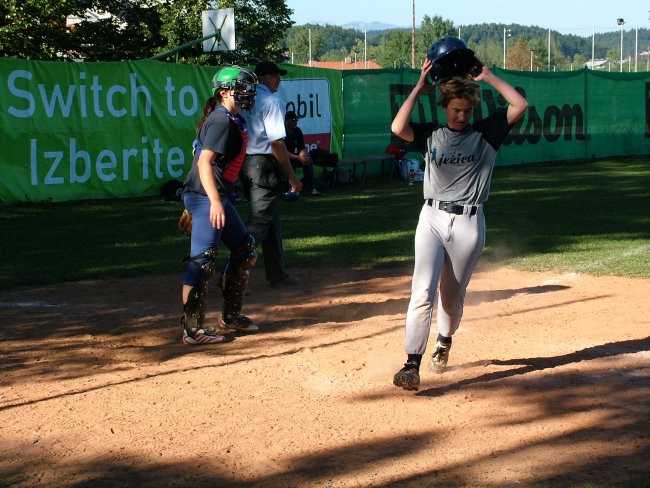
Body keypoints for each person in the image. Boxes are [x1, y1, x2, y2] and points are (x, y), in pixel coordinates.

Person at [391, 53, 528, 390]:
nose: (462, 116)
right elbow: (398, 128)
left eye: (467, 110)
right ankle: (411, 364)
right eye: (456, 110)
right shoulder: (430, 135)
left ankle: (445, 338)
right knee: (423, 291)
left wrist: (488, 75)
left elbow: (519, 105)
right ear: (445, 107)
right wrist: (418, 87)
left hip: (469, 223)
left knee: (451, 297)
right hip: (432, 217)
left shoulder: (487, 133)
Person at [179, 66, 261, 345]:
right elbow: (204, 162)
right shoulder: (222, 121)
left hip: (213, 196)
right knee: (202, 262)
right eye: (242, 88)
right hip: (206, 197)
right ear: (224, 92)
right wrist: (212, 201)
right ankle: (192, 331)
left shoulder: (230, 118)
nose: (249, 93)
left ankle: (230, 318)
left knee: (244, 248)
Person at [240, 61, 303, 289]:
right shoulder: (272, 101)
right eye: (275, 76)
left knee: (270, 220)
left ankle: (277, 275)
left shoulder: (245, 97)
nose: (279, 79)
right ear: (262, 77)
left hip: (246, 164)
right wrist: (292, 178)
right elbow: (276, 143)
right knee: (258, 223)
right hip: (263, 164)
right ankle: (233, 274)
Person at [284, 111, 321, 196]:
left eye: (296, 120)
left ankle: (310, 188)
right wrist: (298, 158)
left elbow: (302, 148)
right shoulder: (282, 132)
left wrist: (304, 157)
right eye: (293, 120)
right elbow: (283, 152)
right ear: (287, 121)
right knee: (290, 164)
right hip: (283, 158)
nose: (295, 122)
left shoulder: (297, 131)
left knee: (308, 161)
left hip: (293, 156)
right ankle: (291, 188)